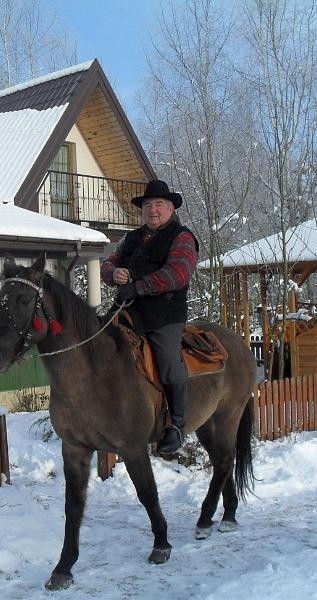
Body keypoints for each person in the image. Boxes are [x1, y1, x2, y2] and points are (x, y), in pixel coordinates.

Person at [101, 179, 199, 453]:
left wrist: (138, 286)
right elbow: (108, 264)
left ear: (170, 208)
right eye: (147, 205)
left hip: (164, 315)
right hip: (126, 311)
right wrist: (114, 274)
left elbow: (178, 274)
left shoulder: (182, 237)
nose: (152, 210)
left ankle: (177, 425)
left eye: (158, 204)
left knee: (168, 360)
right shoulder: (131, 238)